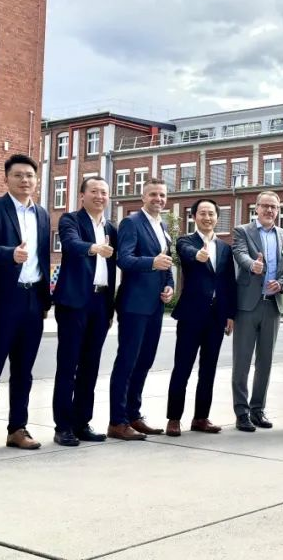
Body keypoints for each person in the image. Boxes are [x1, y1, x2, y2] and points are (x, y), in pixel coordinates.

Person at [0, 154, 51, 454]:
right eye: (18, 175)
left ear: (36, 180)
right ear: (6, 178)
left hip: (33, 298)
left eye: (29, 175)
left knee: (24, 369)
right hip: (3, 298)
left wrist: (46, 297)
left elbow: (43, 256)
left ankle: (18, 428)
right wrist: (10, 254)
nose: (24, 180)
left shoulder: (42, 214)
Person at [50, 177, 117, 446]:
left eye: (104, 192)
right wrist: (94, 248)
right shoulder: (71, 220)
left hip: (101, 302)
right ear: (82, 195)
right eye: (94, 191)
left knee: (90, 366)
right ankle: (63, 426)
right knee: (68, 365)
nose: (100, 196)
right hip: (74, 302)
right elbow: (70, 244)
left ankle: (81, 423)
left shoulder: (111, 227)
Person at [107, 178, 175, 441]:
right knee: (127, 361)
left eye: (162, 195)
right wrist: (151, 263)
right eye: (153, 194)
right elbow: (123, 259)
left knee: (145, 361)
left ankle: (133, 415)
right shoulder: (131, 222)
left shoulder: (163, 226)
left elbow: (166, 263)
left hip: (155, 304)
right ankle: (117, 421)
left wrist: (169, 285)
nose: (159, 199)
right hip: (134, 304)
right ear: (143, 197)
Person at [166, 198, 236, 436]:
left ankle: (201, 418)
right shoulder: (185, 241)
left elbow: (228, 282)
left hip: (216, 317)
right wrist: (197, 254)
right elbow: (185, 253)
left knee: (208, 369)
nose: (207, 218)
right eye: (202, 213)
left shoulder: (225, 248)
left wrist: (230, 314)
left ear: (217, 217)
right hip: (191, 315)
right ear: (194, 216)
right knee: (182, 367)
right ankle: (174, 418)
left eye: (211, 214)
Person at [231, 191, 283, 432]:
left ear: (278, 210)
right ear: (256, 208)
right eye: (265, 206)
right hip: (247, 305)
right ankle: (241, 411)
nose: (269, 210)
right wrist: (252, 265)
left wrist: (282, 284)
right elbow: (240, 253)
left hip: (272, 305)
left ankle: (258, 409)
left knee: (265, 361)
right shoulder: (242, 231)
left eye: (273, 207)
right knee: (242, 361)